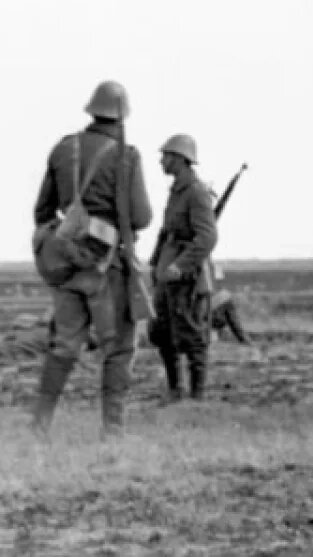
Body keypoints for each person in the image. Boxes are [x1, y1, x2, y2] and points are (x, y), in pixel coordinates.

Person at [30, 80, 153, 437]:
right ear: (121, 116)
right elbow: (141, 216)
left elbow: (42, 210)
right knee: (118, 348)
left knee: (64, 345)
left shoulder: (63, 149)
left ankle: (40, 424)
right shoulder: (126, 156)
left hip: (66, 265)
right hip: (106, 265)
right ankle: (112, 431)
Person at [147, 134, 218, 403]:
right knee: (162, 333)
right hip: (168, 271)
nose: (161, 161)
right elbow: (165, 232)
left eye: (166, 156)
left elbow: (207, 237)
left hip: (188, 277)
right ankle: (175, 390)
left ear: (179, 159)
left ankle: (197, 397)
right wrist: (156, 265)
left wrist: (181, 265)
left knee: (193, 337)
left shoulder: (196, 192)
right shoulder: (178, 190)